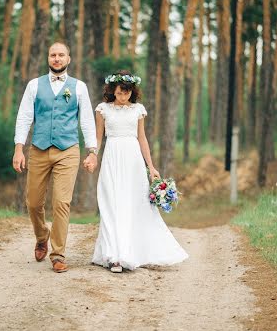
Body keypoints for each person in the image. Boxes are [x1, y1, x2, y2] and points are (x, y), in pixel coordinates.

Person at [86, 71, 188, 273]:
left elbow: (142, 139)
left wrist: (151, 167)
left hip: (133, 160)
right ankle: (114, 256)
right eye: (120, 92)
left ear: (132, 92)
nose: (123, 96)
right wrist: (93, 155)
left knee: (132, 205)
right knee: (111, 203)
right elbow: (98, 138)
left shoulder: (138, 110)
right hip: (112, 158)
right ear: (112, 91)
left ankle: (131, 252)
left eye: (127, 92)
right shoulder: (102, 109)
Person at [12, 42, 98, 273]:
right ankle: (42, 235)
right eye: (53, 55)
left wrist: (92, 151)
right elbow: (24, 117)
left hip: (68, 150)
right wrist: (19, 148)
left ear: (69, 59)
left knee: (61, 202)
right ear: (48, 58)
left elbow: (87, 120)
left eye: (61, 55)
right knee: (33, 202)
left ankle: (58, 253)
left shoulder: (79, 87)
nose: (57, 58)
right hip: (38, 149)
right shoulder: (34, 85)